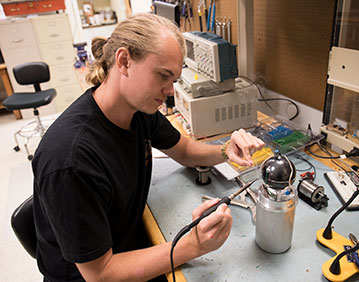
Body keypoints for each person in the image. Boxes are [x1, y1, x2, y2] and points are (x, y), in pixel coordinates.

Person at [33, 13, 265, 282]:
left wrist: (226, 150)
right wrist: (193, 245)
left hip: (124, 242)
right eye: (163, 76)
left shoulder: (139, 110)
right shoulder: (71, 159)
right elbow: (101, 274)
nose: (169, 91)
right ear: (124, 61)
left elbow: (186, 151)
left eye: (174, 80)